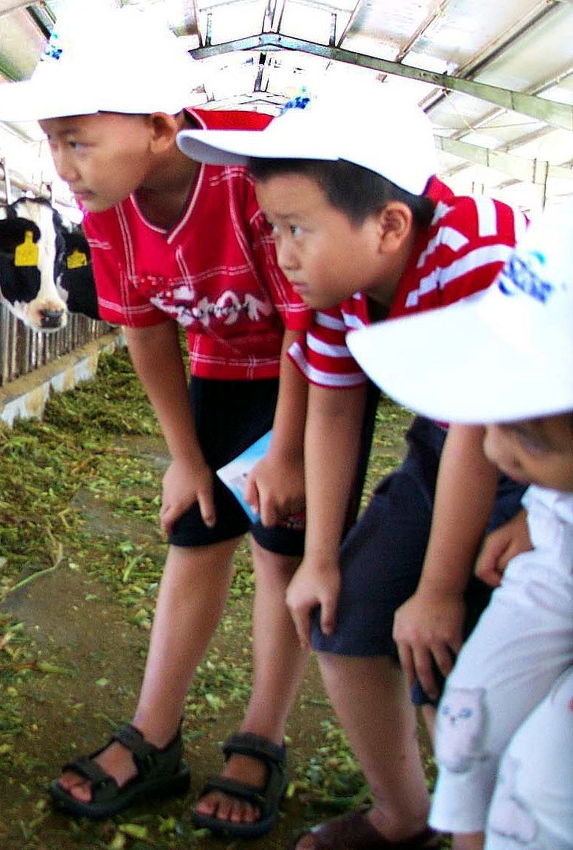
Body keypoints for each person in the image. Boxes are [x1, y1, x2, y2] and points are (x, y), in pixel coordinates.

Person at [0, 4, 317, 835]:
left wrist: (289, 453)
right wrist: (185, 456)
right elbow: (146, 329)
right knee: (196, 528)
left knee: (279, 542)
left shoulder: (250, 173)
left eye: (76, 140)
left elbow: (309, 322)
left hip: (318, 366)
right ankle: (155, 737)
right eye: (52, 140)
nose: (62, 164)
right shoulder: (108, 205)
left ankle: (261, 733)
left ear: (160, 125)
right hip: (226, 358)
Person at [179, 91, 530, 849]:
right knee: (342, 618)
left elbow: (485, 425)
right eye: (272, 227)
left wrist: (438, 591)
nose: (282, 252)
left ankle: (499, 827)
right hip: (449, 444)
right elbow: (335, 410)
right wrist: (319, 561)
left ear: (390, 224)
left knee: (461, 658)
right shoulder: (339, 285)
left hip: (543, 457)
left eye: (297, 227)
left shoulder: (480, 256)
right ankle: (404, 817)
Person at [346, 204, 573, 850]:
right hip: (553, 565)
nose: (494, 450)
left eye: (525, 433)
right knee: (467, 713)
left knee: (539, 784)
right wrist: (538, 512)